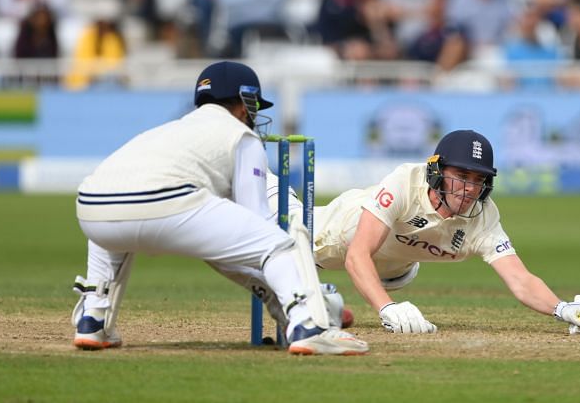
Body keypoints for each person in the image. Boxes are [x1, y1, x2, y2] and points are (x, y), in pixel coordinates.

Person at [70, 61, 368, 356]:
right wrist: (299, 287)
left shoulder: (168, 131)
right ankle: (307, 323)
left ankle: (93, 319)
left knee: (114, 220)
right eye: (254, 106)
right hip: (167, 201)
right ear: (244, 102)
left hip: (92, 207)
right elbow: (258, 222)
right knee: (278, 243)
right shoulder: (242, 136)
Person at [271, 129, 580, 335]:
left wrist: (562, 309)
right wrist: (387, 309)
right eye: (461, 174)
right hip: (316, 233)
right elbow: (357, 254)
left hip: (393, 269)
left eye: (478, 179)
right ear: (436, 171)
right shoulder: (406, 181)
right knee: (259, 201)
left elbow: (520, 279)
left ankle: (326, 304)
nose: (469, 188)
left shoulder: (483, 216)